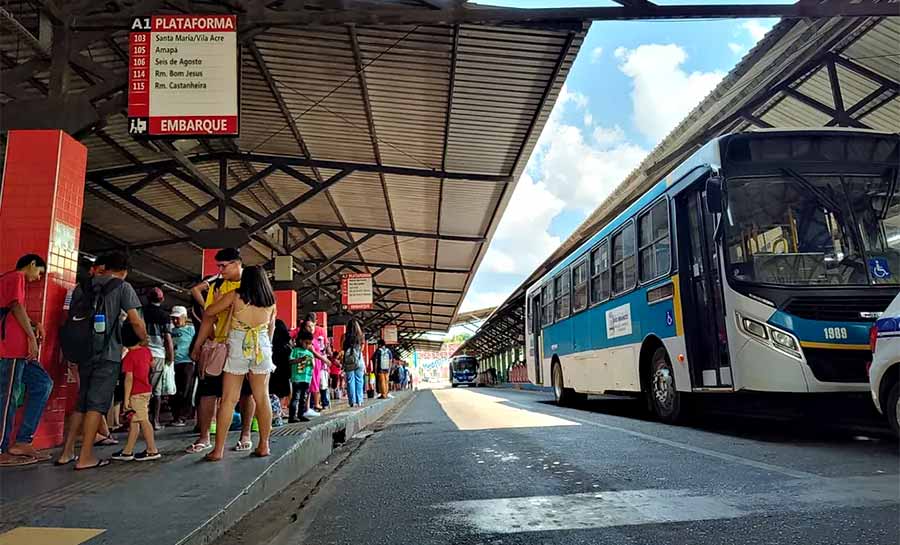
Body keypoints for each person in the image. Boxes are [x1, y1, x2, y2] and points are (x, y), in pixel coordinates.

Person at [56, 251, 148, 470]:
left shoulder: (82, 286)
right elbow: (135, 321)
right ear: (124, 271)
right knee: (96, 404)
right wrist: (143, 338)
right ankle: (86, 456)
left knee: (82, 402)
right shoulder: (122, 287)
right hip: (108, 354)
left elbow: (68, 317)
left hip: (83, 351)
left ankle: (67, 452)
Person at [191, 265, 276, 461]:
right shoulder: (271, 300)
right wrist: (266, 348)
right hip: (262, 346)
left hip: (239, 344)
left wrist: (220, 297)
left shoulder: (235, 295)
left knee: (229, 399)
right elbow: (270, 327)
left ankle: (218, 449)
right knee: (262, 397)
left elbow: (210, 311)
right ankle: (264, 445)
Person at [186, 248, 255, 454]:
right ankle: (204, 437)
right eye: (219, 266)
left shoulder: (251, 286)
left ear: (237, 263)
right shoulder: (217, 285)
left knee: (246, 393)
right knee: (208, 391)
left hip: (244, 347)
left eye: (224, 266)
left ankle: (245, 434)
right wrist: (198, 345)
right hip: (219, 346)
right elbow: (209, 318)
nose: (220, 270)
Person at [0, 255, 54, 467]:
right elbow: (14, 306)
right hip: (9, 350)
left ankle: (22, 441)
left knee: (43, 384)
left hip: (21, 353)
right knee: (7, 399)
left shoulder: (14, 282)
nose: (38, 277)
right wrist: (31, 336)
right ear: (31, 264)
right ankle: (1, 448)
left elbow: (15, 309)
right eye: (39, 272)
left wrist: (34, 324)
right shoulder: (15, 277)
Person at [112, 323, 160, 461]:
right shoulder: (146, 351)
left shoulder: (129, 357)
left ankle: (152, 449)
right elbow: (152, 365)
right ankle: (127, 451)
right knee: (135, 421)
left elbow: (128, 379)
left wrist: (126, 399)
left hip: (136, 393)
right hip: (146, 390)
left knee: (143, 420)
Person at [144, 287, 174, 430]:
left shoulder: (140, 312)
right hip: (158, 355)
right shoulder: (164, 315)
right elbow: (167, 338)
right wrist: (170, 357)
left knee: (140, 388)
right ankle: (154, 421)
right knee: (156, 390)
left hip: (141, 354)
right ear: (162, 299)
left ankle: (139, 420)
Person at [169, 306, 195, 427]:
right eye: (173, 319)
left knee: (185, 390)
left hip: (187, 363)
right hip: (173, 364)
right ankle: (176, 415)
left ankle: (182, 416)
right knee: (174, 391)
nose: (175, 321)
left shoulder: (191, 330)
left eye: (177, 318)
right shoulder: (171, 331)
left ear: (184, 318)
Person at [289, 328, 315, 423]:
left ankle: (301, 414)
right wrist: (300, 360)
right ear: (301, 341)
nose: (308, 346)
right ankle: (292, 416)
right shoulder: (295, 351)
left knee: (303, 397)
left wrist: (312, 362)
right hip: (297, 378)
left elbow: (313, 366)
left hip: (306, 378)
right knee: (296, 397)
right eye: (306, 343)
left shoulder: (310, 353)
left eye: (309, 344)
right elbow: (290, 361)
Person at [342, 319, 365, 408]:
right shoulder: (361, 336)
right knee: (359, 380)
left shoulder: (344, 336)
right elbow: (362, 349)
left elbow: (342, 348)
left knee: (350, 381)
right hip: (359, 359)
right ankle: (359, 401)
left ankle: (352, 402)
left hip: (349, 361)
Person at [270, 319, 293, 409]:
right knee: (281, 392)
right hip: (283, 371)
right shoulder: (286, 347)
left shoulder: (270, 345)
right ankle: (278, 410)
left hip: (271, 370)